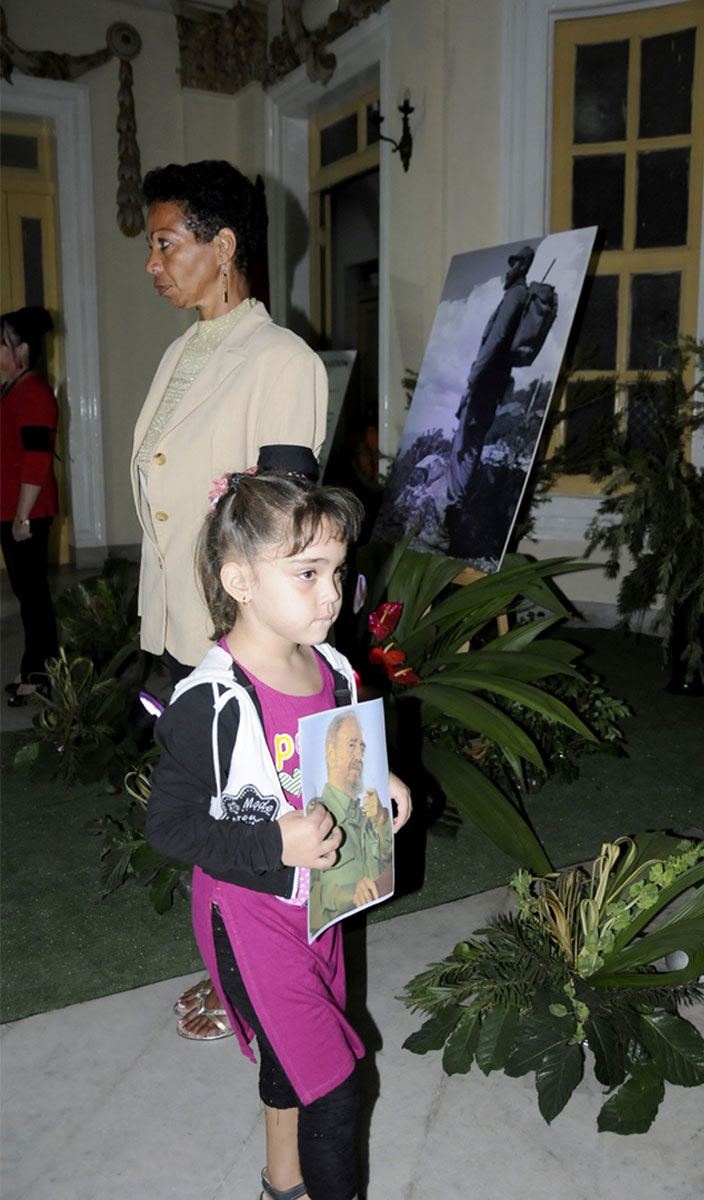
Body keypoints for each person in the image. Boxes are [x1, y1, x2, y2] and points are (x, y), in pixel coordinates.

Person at [145, 466, 412, 1200]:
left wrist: (372, 784)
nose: (333, 592)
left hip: (320, 907)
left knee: (292, 1057)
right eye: (307, 573)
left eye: (337, 570)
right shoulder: (212, 702)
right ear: (239, 580)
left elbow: (331, 756)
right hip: (251, 916)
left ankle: (280, 1182)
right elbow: (166, 825)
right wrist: (274, 845)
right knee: (334, 1086)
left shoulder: (327, 667)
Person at [131, 159, 328, 1038]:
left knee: (253, 811)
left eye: (166, 243)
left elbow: (285, 526)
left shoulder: (281, 360)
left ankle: (260, 977)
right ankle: (227, 960)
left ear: (224, 245)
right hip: (179, 619)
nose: (154, 263)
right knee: (215, 815)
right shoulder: (181, 352)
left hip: (238, 633)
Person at [444, 244, 533, 547]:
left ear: (521, 267)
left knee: (467, 446)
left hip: (485, 382)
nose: (508, 270)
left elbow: (495, 340)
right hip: (489, 382)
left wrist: (474, 375)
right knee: (466, 444)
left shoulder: (515, 295)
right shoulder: (517, 295)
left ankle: (453, 515)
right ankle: (454, 511)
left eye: (513, 264)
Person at [0, 306, 59, 706]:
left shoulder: (34, 391)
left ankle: (39, 675)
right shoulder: (14, 387)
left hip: (28, 513)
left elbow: (37, 459)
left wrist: (22, 515)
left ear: (21, 349)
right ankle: (34, 666)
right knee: (28, 593)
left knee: (33, 595)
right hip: (15, 509)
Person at [308, 711, 393, 936]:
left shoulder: (364, 814)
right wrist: (348, 893)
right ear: (330, 752)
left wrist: (381, 819)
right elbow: (306, 895)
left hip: (357, 932)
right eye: (351, 746)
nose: (359, 756)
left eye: (362, 748)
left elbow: (384, 865)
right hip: (323, 935)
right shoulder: (316, 814)